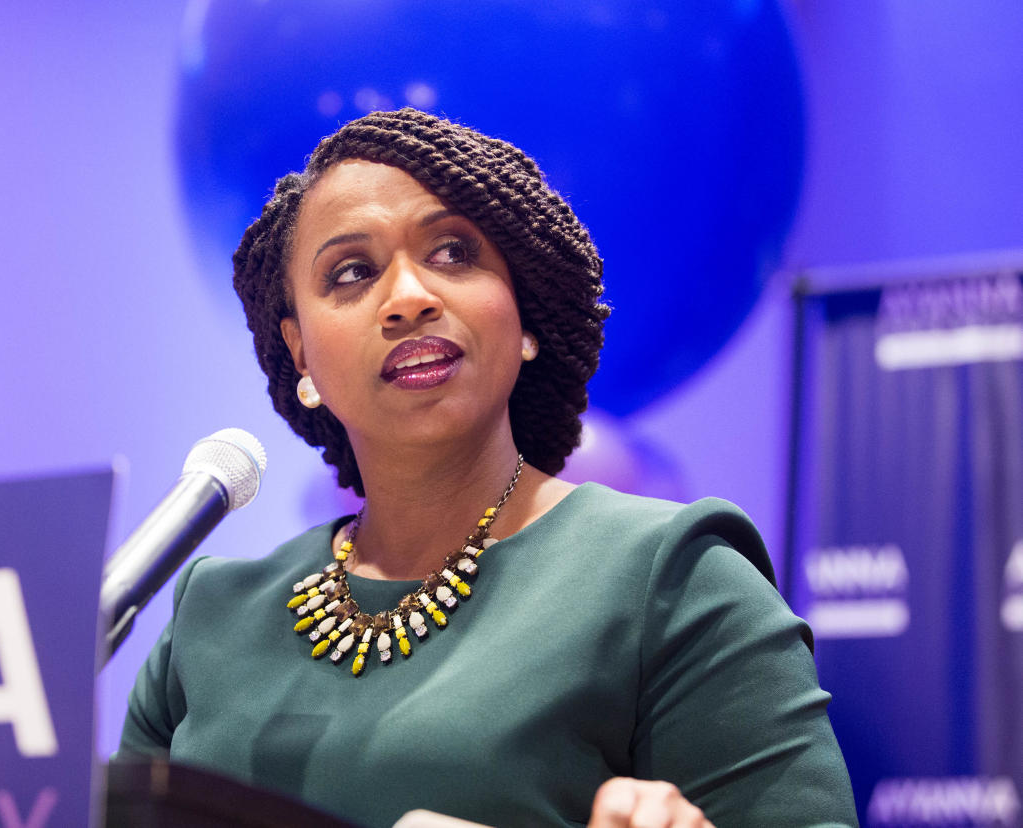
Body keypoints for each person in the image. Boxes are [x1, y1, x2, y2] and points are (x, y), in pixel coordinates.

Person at [121, 108, 858, 828]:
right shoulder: (209, 616)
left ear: (525, 313)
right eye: (351, 272)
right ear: (300, 353)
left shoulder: (671, 579)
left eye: (452, 253)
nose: (408, 299)